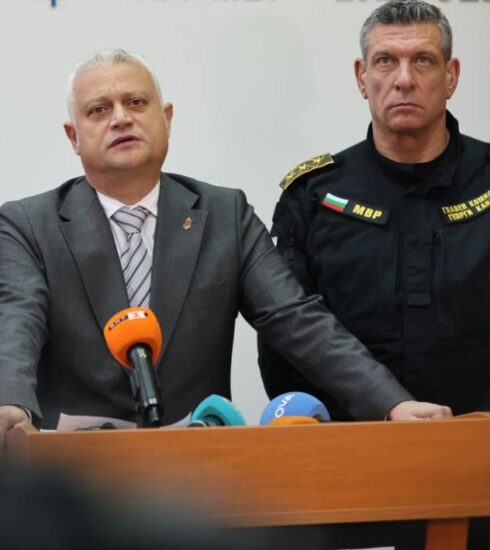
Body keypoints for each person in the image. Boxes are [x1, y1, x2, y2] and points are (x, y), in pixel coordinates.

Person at [0, 49, 449, 441]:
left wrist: (391, 403)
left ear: (166, 118)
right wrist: (10, 403)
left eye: (136, 102)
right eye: (99, 110)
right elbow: (18, 322)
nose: (121, 118)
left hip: (200, 474)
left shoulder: (224, 215)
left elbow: (298, 321)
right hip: (73, 481)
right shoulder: (29, 225)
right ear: (73, 137)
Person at [258, 1, 489, 547]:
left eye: (423, 60)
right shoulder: (312, 197)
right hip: (351, 473)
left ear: (451, 76)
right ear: (362, 77)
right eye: (386, 61)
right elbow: (287, 342)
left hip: (482, 463)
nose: (404, 79)